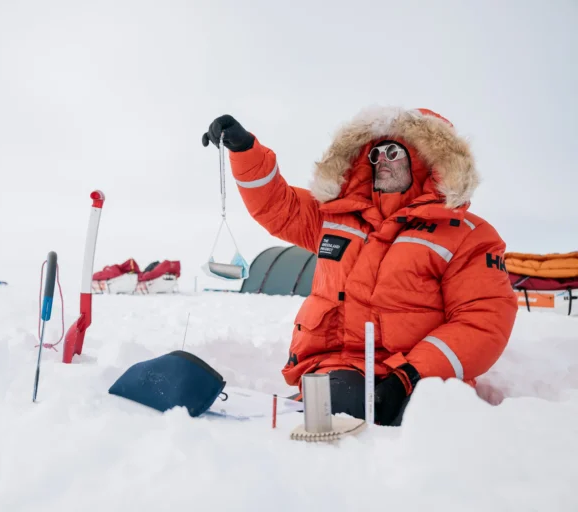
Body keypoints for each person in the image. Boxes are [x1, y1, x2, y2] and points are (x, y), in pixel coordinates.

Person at [202, 107, 518, 426]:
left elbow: (482, 321)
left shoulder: (469, 236)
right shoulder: (336, 217)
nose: (381, 159)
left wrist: (410, 375)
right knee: (321, 419)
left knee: (415, 434)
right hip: (341, 370)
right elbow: (276, 206)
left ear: (427, 160)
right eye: (375, 152)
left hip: (420, 379)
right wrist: (245, 151)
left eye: (393, 151)